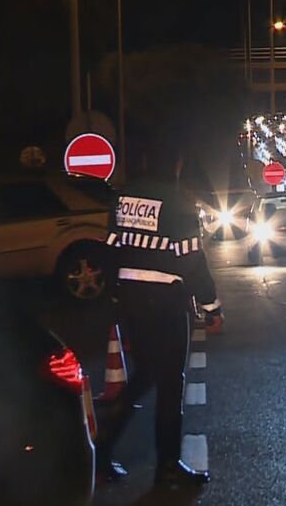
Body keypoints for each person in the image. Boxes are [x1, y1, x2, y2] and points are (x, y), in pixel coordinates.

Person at [96, 138, 222, 487]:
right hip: (165, 301)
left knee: (146, 373)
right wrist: (211, 305)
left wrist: (115, 295)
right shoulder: (178, 200)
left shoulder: (122, 197)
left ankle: (102, 445)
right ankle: (167, 466)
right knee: (169, 384)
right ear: (175, 165)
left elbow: (110, 248)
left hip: (131, 300)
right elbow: (191, 257)